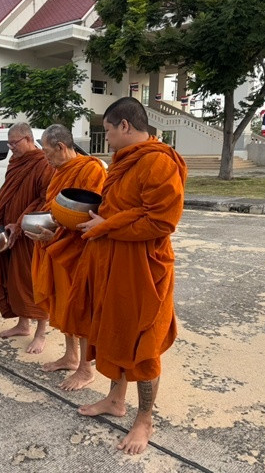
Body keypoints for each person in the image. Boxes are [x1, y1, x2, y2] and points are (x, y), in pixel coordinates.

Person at [73, 97, 187, 454]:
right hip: (114, 264)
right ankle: (115, 399)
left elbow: (162, 221)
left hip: (144, 269)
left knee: (143, 344)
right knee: (115, 331)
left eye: (107, 131)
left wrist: (108, 225)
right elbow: (117, 209)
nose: (106, 139)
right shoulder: (123, 162)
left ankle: (144, 419)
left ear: (125, 125)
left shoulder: (158, 161)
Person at [24, 124, 106, 390]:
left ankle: (85, 369)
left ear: (61, 147)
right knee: (62, 304)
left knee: (80, 308)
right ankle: (71, 356)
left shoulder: (90, 169)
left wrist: (56, 235)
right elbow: (55, 209)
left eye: (47, 152)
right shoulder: (59, 171)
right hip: (56, 244)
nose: (45, 157)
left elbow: (89, 214)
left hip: (77, 250)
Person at [0, 122, 54, 354]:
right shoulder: (15, 163)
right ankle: (23, 324)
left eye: (14, 143)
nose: (11, 148)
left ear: (28, 139)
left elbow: (45, 199)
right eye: (9, 144)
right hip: (10, 232)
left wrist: (21, 221)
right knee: (14, 281)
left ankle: (40, 333)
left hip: (30, 233)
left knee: (33, 281)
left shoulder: (43, 163)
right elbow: (7, 194)